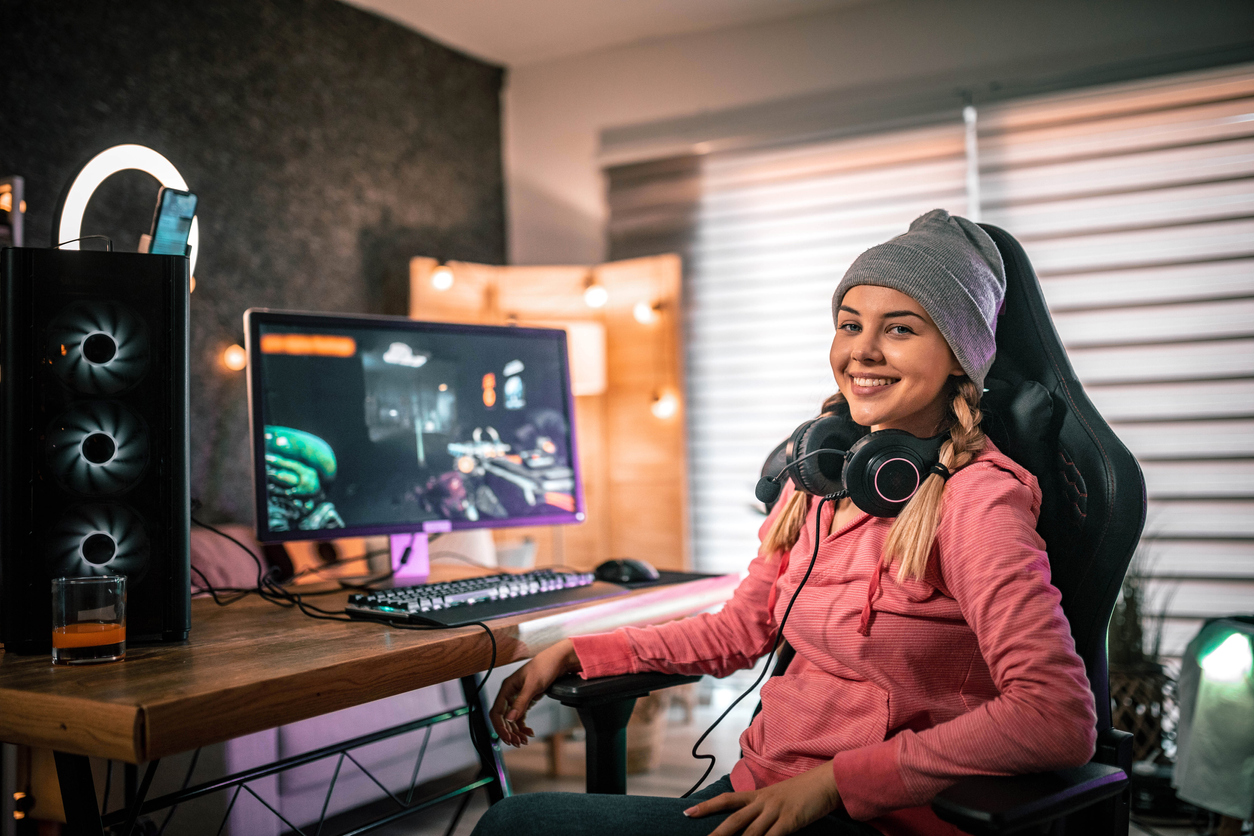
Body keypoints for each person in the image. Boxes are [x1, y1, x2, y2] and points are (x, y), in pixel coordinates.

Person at [471, 210, 1098, 836]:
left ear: (961, 357)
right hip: (762, 789)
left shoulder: (977, 499)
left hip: (875, 814)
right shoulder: (820, 478)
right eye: (850, 325)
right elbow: (741, 630)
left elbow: (1055, 716)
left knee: (515, 826)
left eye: (900, 329)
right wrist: (579, 651)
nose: (863, 351)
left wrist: (834, 783)